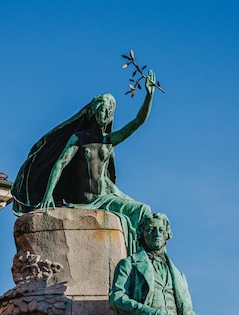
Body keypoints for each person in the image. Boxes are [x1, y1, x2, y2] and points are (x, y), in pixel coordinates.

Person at [11, 72, 158, 254]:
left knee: (144, 211)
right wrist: (48, 194)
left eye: (110, 111)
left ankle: (142, 262)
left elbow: (138, 122)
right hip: (90, 199)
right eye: (104, 109)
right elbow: (60, 164)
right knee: (140, 212)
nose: (107, 114)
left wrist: (149, 96)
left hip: (108, 194)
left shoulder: (109, 140)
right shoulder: (79, 139)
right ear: (95, 110)